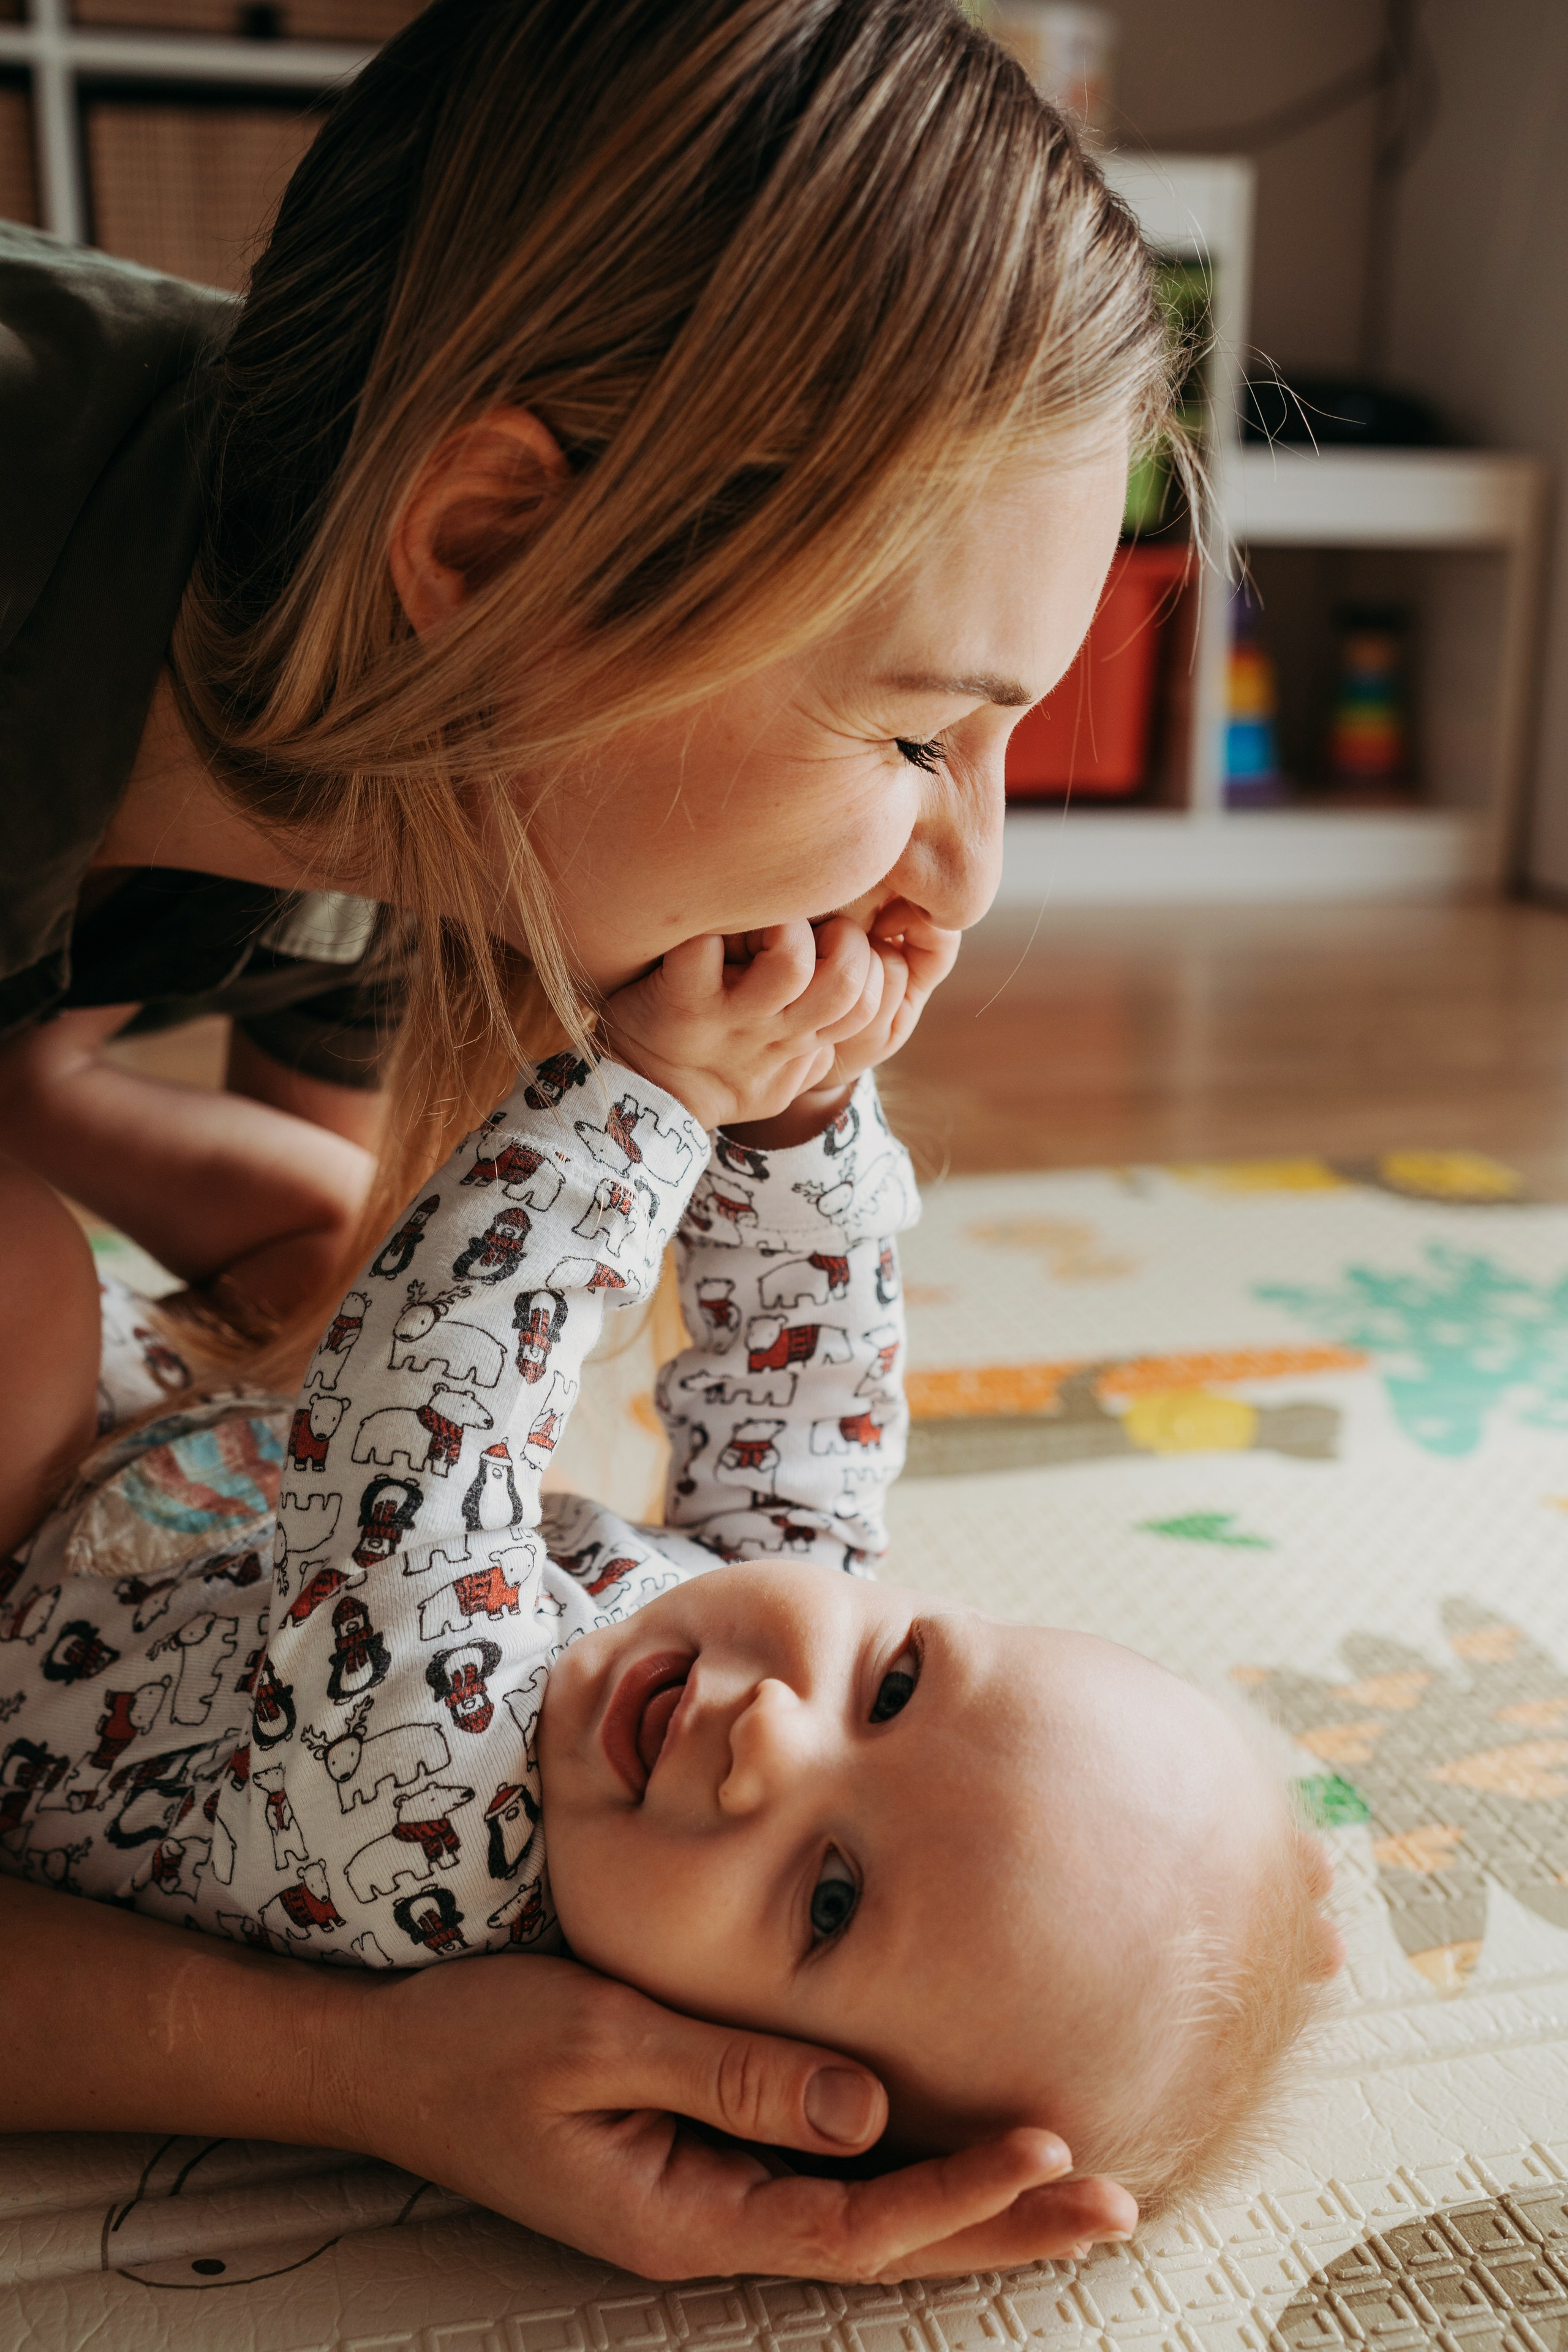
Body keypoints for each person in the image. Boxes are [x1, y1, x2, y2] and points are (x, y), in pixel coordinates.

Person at [0, 0, 1185, 2282]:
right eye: (928, 735)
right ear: (502, 551)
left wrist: (773, 1123)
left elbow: (412, 1346)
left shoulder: (418, 788)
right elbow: (524, 1407)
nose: (960, 887)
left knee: (343, 1257)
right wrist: (730, 1127)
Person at [2, 951, 1338, 2225]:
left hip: (32, 1567)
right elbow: (807, 1381)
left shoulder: (440, 1853)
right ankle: (49, 1093)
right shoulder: (785, 1644)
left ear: (720, 2076)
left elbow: (420, 1411)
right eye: (898, 1683)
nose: (774, 1734)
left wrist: (651, 1094)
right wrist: (798, 1110)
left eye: (828, 1899)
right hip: (217, 1458)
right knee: (341, 1234)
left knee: (31, 1279)